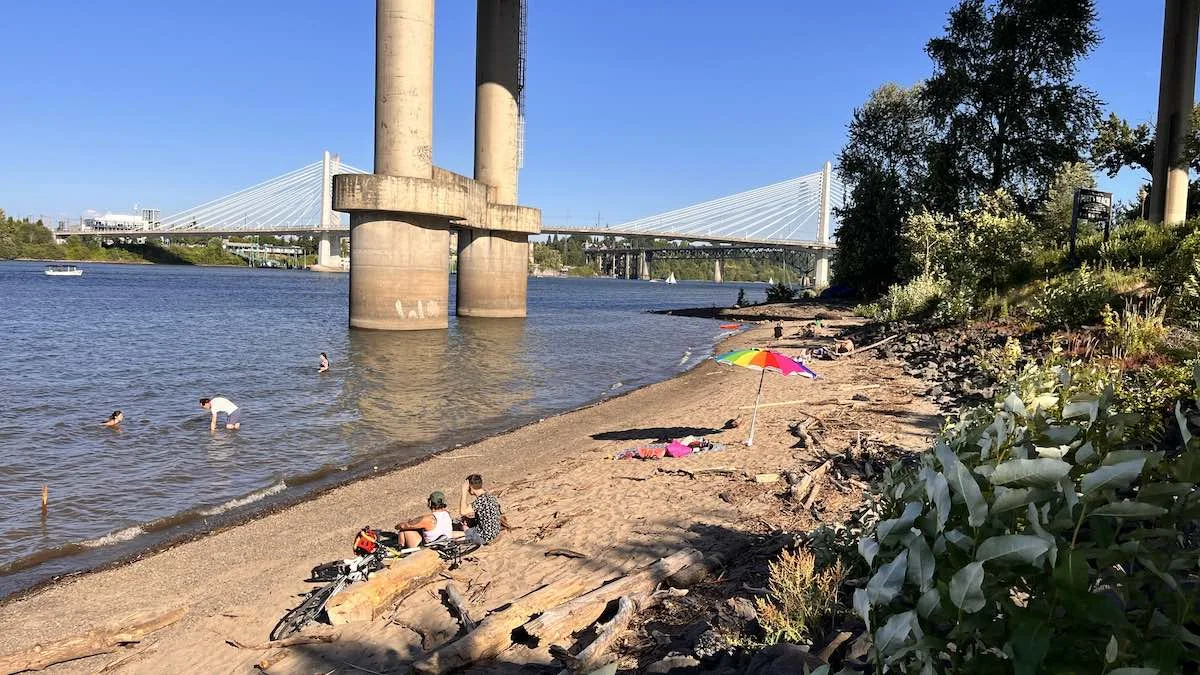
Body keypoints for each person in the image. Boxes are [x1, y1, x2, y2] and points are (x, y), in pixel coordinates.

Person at [459, 474, 505, 545]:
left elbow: (463, 511)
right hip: (494, 532)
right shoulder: (490, 496)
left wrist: (463, 491)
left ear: (470, 487)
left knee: (460, 529)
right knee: (466, 525)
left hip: (484, 537)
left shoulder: (481, 500)